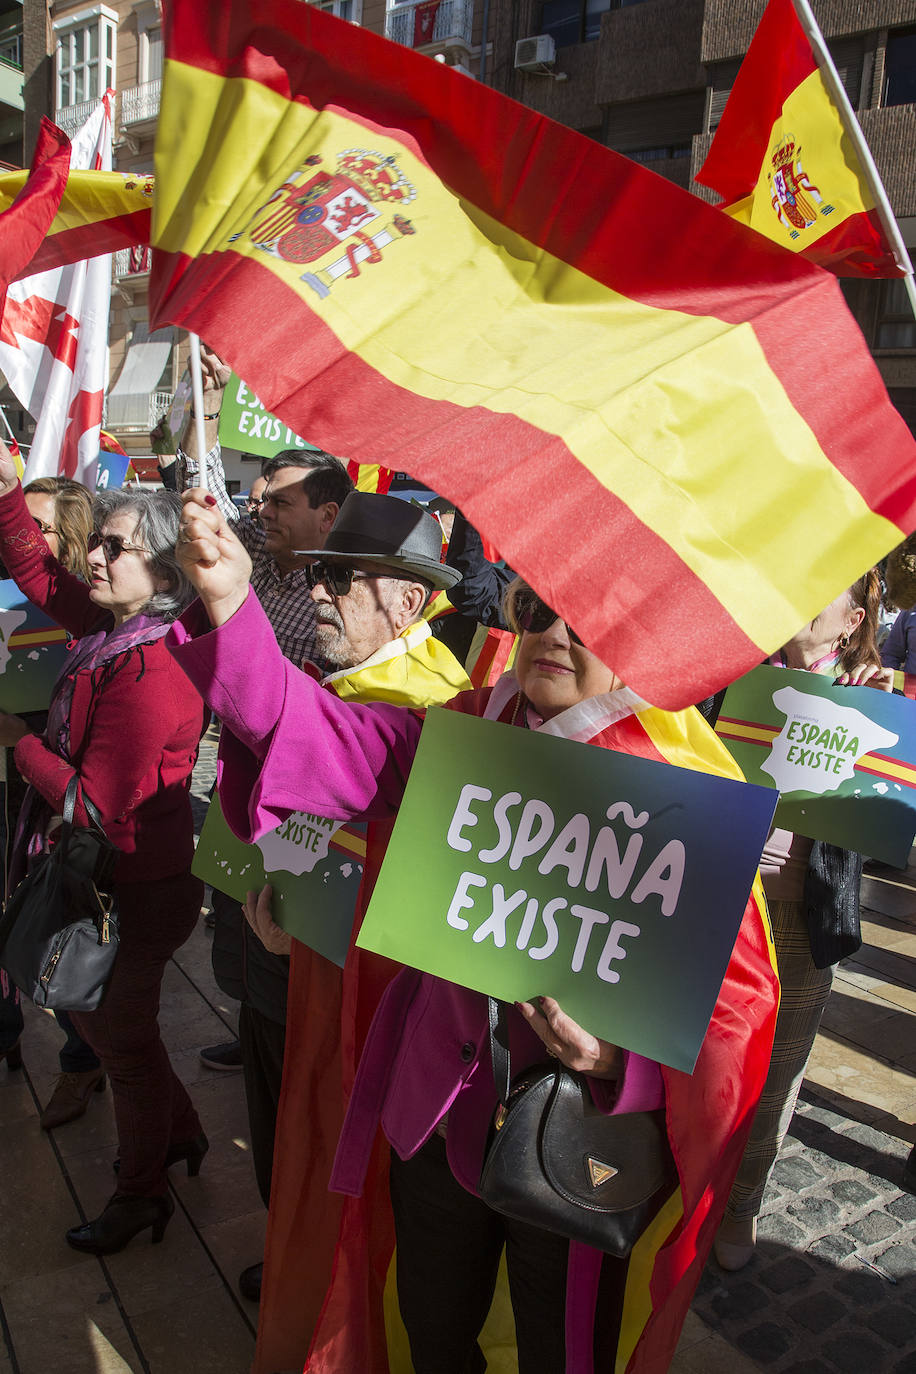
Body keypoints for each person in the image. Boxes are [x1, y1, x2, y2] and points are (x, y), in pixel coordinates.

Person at [168, 492, 779, 1374]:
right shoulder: (459, 731)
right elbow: (316, 732)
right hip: (438, 1117)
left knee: (559, 1347)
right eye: (535, 608)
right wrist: (229, 602)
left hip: (572, 1140)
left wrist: (619, 1062)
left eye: (587, 619)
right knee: (431, 1322)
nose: (551, 634)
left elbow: (735, 1011)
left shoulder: (680, 791)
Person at [239, 491, 469, 1354]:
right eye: (317, 575)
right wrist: (288, 908)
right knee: (299, 1147)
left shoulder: (437, 709)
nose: (320, 594)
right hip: (307, 964)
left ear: (408, 600)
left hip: (379, 1012)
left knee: (361, 1185)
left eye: (341, 577)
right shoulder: (350, 678)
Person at [0, 441, 208, 1255]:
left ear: (164, 574)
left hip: (139, 891)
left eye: (114, 546)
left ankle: (140, 1193)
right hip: (112, 880)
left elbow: (95, 801)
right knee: (122, 1033)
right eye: (99, 540)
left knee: (122, 1045)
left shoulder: (153, 668)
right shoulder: (117, 631)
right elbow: (37, 574)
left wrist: (20, 743)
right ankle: (181, 1137)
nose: (93, 553)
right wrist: (11, 493)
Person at [714, 575, 894, 1270]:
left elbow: (881, 828)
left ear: (850, 623)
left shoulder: (871, 700)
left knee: (776, 1075)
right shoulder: (734, 678)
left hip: (803, 917)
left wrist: (884, 729)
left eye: (818, 590)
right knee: (700, 1062)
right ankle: (686, 1198)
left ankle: (743, 1207)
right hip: (723, 901)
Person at [0, 477, 107, 1128]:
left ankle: (82, 1060)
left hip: (58, 804)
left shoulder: (93, 620)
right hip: (15, 787)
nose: (23, 540)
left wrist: (25, 740)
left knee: (63, 939)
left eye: (42, 528)